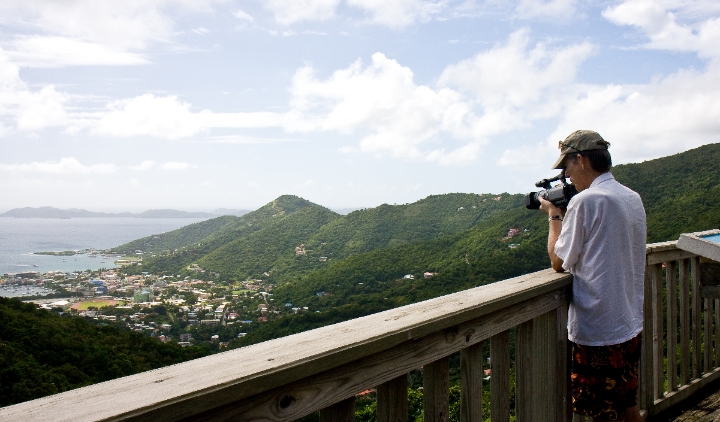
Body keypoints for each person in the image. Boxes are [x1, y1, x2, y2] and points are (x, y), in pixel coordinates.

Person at [538, 130, 646, 422]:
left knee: (601, 413)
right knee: (626, 402)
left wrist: (553, 214)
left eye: (567, 167)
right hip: (629, 322)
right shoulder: (631, 197)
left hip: (599, 330)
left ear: (582, 160)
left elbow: (558, 261)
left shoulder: (586, 201)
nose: (567, 176)